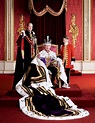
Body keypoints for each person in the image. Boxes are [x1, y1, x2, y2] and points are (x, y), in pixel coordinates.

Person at [15, 57, 89, 120]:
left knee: (54, 71)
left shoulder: (51, 55)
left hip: (49, 68)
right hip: (41, 78)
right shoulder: (37, 62)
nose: (47, 47)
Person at [12, 22, 37, 89]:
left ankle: (30, 82)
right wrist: (22, 36)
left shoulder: (33, 34)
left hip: (32, 55)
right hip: (25, 55)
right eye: (29, 26)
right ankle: (24, 83)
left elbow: (34, 44)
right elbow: (18, 42)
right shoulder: (24, 33)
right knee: (25, 69)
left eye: (31, 26)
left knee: (32, 69)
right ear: (27, 26)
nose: (30, 28)